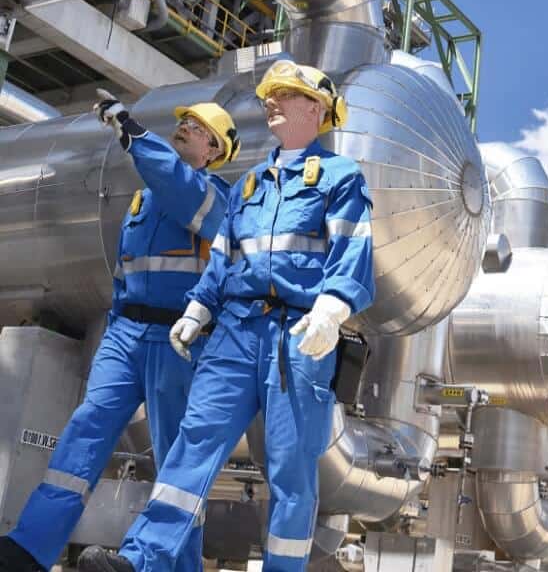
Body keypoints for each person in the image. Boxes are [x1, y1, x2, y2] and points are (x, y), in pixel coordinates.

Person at [79, 61, 374, 572]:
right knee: (193, 442)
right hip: (235, 332)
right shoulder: (250, 185)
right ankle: (142, 559)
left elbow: (352, 250)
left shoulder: (339, 178)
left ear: (317, 110)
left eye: (284, 94)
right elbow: (223, 257)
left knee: (291, 469)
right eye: (270, 95)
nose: (271, 103)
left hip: (298, 336)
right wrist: (197, 308)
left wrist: (332, 306)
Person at [0, 94, 240, 572]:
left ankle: (160, 564)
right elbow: (126, 270)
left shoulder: (214, 196)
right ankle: (29, 548)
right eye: (184, 121)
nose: (184, 128)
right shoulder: (143, 200)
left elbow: (177, 185)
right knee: (86, 428)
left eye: (195, 127)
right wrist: (113, 331)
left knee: (177, 458)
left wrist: (132, 130)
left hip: (179, 339)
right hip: (126, 331)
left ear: (214, 150)